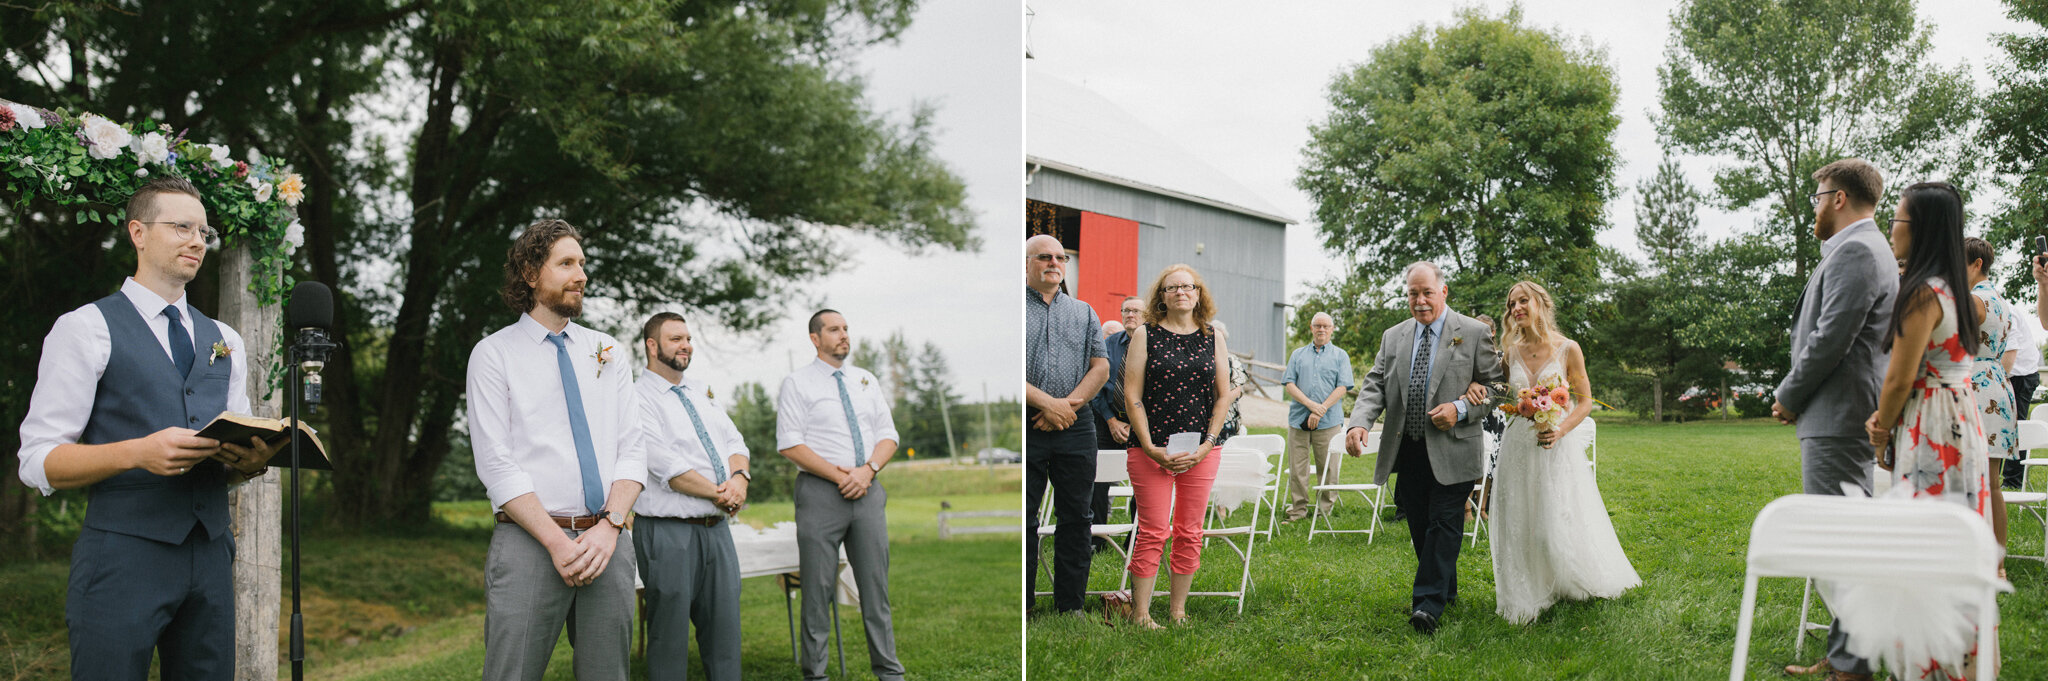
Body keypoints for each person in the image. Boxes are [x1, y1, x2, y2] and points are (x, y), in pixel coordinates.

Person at [15, 177, 274, 680]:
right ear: (138, 232)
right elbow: (37, 461)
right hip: (121, 555)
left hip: (211, 552)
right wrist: (136, 453)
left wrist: (250, 464)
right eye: (181, 227)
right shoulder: (84, 328)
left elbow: (230, 445)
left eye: (203, 231)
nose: (197, 241)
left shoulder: (225, 339)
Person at [466, 219, 647, 681]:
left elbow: (633, 449)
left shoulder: (607, 350)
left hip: (607, 543)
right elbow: (495, 463)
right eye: (566, 263)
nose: (581, 274)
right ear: (530, 272)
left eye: (582, 264)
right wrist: (554, 542)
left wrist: (610, 528)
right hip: (529, 543)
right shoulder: (494, 354)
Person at [1771, 159, 1897, 681]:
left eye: (1819, 197)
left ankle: (1854, 666)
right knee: (1844, 538)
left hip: (1838, 413)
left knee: (1837, 543)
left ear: (1839, 198)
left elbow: (1831, 338)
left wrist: (1788, 395)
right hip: (1843, 412)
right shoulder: (1864, 249)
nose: (1815, 208)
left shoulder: (1859, 251)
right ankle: (1847, 655)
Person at [1860, 181, 1990, 679]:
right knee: (1956, 539)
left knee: (1924, 542)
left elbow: (1898, 377)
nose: (1891, 229)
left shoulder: (1920, 293)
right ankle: (1958, 661)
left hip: (1931, 424)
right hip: (1963, 421)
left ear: (1922, 229)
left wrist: (1880, 427)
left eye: (1898, 220)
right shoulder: (1959, 290)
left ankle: (1925, 663)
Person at [1343, 261, 1504, 635]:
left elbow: (1498, 389)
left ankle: (1427, 606)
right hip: (1408, 449)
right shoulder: (1393, 336)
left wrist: (1461, 408)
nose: (1419, 301)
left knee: (1444, 523)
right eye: (1413, 293)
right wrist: (1358, 422)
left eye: (1427, 292)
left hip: (1455, 447)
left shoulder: (1474, 332)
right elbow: (1375, 384)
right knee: (1419, 525)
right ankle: (1445, 589)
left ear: (1443, 291)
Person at [1487, 281, 1640, 624]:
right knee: (1520, 517)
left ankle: (1566, 578)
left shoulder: (1568, 348)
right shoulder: (1510, 351)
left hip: (1556, 445)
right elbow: (1501, 393)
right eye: (1511, 303)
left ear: (1541, 303)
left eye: (1523, 301)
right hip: (1518, 446)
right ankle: (1525, 587)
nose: (1516, 308)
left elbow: (1585, 401)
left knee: (1556, 516)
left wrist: (1560, 429)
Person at [776, 309, 905, 680]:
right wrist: (839, 476)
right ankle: (815, 674)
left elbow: (888, 434)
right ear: (815, 338)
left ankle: (889, 672)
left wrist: (867, 472)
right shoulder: (797, 383)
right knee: (817, 592)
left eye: (846, 329)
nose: (843, 335)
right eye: (834, 330)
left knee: (875, 590)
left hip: (867, 491)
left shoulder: (866, 380)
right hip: (819, 494)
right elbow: (790, 443)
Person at [634, 312, 749, 681]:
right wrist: (723, 493)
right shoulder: (637, 398)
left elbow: (734, 441)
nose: (685, 345)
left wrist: (740, 480)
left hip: (717, 529)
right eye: (675, 339)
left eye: (687, 338)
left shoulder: (702, 390)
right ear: (652, 346)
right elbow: (665, 465)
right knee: (669, 641)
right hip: (669, 533)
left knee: (726, 633)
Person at [1121, 264, 1232, 629]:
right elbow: (1132, 395)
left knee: (1189, 531)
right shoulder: (1146, 335)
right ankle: (1140, 614)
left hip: (1202, 451)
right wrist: (1151, 446)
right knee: (1153, 529)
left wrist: (1208, 443)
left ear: (1199, 293)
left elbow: (1222, 397)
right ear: (1162, 296)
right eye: (1172, 288)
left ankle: (1178, 610)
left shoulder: (1213, 336)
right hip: (1151, 450)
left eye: (1188, 286)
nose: (1181, 292)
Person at [1023, 234, 1108, 615]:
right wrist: (1046, 404)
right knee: (1022, 515)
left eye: (1061, 257)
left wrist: (1065, 408)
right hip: (1026, 423)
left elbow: (1101, 366)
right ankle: (1021, 605)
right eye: (1044, 257)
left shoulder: (1084, 311)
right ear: (1027, 263)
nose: (1054, 263)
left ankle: (1070, 605)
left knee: (1077, 515)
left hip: (1075, 424)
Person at [1963, 237, 2017, 577]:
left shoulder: (1973, 300)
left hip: (1977, 387)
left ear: (1977, 264)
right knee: (1992, 483)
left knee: (1972, 479)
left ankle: (1975, 560)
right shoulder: (2001, 301)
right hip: (1998, 382)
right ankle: (1997, 565)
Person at [1280, 312, 1353, 524]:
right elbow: (1289, 384)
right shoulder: (1298, 355)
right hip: (1298, 420)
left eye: (1326, 326)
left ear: (1332, 330)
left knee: (1328, 468)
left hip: (1329, 421)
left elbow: (1343, 387)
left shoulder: (1341, 356)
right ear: (1311, 328)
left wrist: (1321, 409)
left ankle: (1324, 512)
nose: (1321, 329)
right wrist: (1311, 406)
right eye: (1317, 326)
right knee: (1297, 468)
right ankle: (1298, 510)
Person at [1089, 296, 1147, 552]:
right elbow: (1096, 385)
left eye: (1135, 310)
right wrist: (1111, 420)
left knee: (1143, 483)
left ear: (1146, 314)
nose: (1130, 315)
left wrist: (1136, 424)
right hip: (1108, 421)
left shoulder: (1153, 343)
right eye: (1126, 310)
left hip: (1144, 424)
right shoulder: (1109, 344)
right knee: (1098, 480)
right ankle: (1097, 540)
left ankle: (1137, 539)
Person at [2006, 306, 2040, 489]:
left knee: (2016, 428)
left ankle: (2012, 482)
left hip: (2022, 373)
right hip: (2013, 372)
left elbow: (2010, 350)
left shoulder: (2004, 310)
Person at [1211, 320, 1249, 442]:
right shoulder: (1201, 361)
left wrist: (1219, 403)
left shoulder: (1232, 360)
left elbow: (1237, 390)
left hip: (1227, 416)